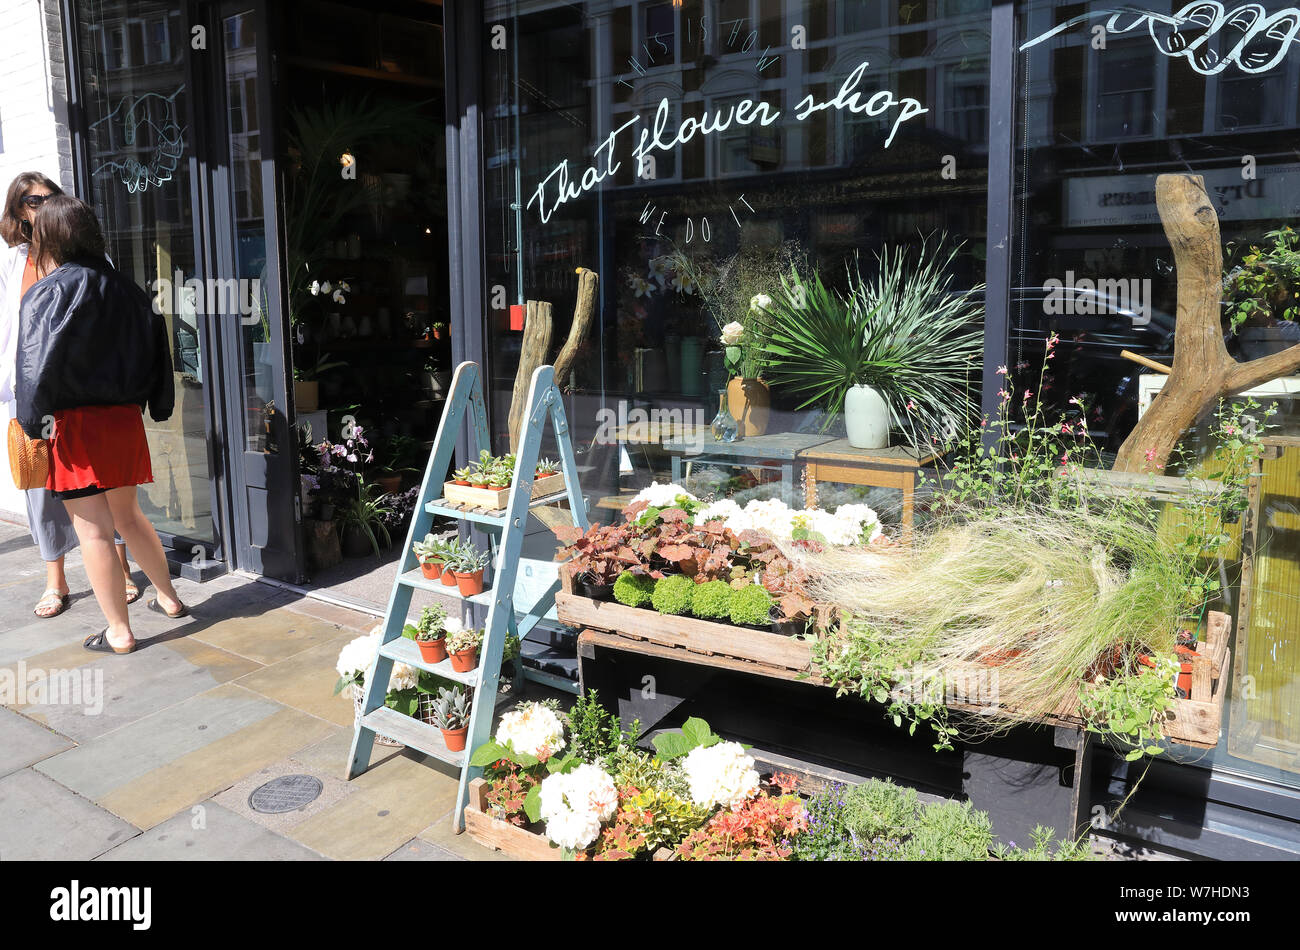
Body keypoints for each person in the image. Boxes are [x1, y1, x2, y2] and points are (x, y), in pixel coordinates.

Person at [16, 195, 186, 654]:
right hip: (123, 422)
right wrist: (161, 405)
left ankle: (120, 631)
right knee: (129, 516)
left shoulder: (46, 292)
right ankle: (169, 599)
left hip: (74, 426)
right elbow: (160, 353)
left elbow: (32, 367)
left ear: (49, 237)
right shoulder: (130, 290)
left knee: (92, 530)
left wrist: (33, 425)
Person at [0, 172, 138, 617]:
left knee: (106, 487)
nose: (41, 207)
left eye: (49, 198)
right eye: (31, 200)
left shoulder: (88, 259)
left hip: (83, 396)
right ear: (18, 209)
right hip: (30, 390)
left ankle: (122, 572)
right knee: (40, 489)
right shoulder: (12, 262)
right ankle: (55, 580)